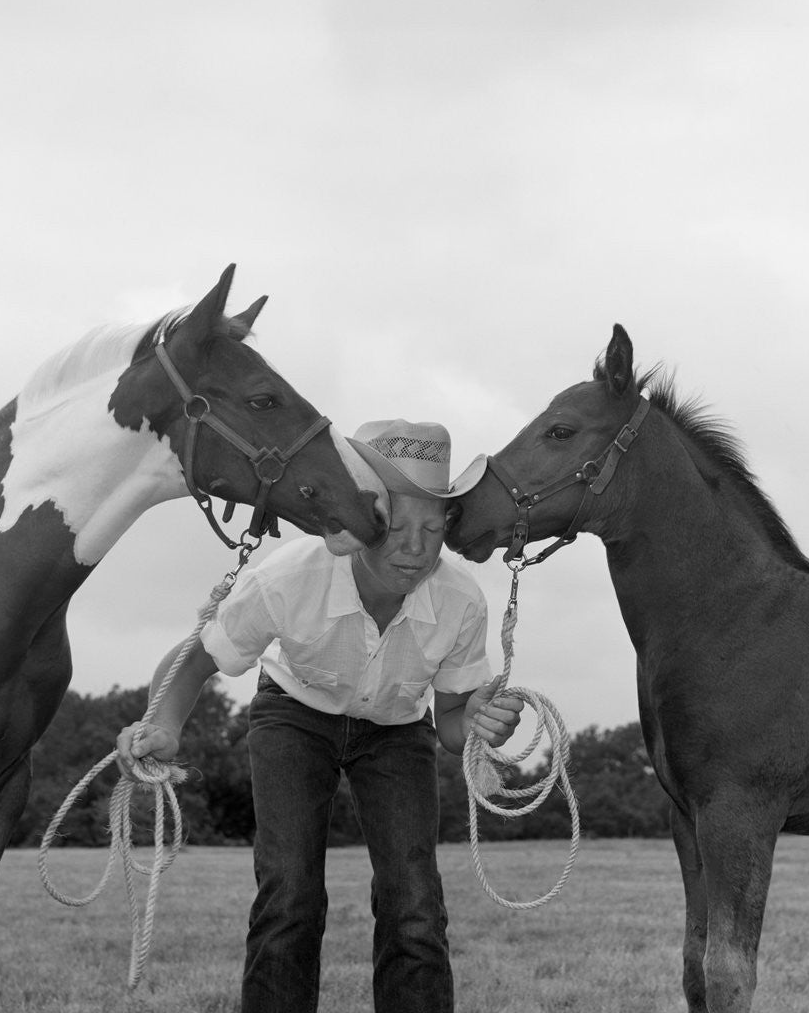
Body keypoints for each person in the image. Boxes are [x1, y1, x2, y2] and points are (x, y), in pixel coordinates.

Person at [116, 418, 523, 1013]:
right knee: (291, 895)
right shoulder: (285, 579)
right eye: (395, 527)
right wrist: (165, 726)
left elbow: (453, 725)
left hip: (397, 729)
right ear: (358, 524)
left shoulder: (462, 601)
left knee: (414, 903)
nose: (415, 547)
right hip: (295, 713)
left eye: (433, 529)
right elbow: (195, 661)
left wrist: (485, 723)